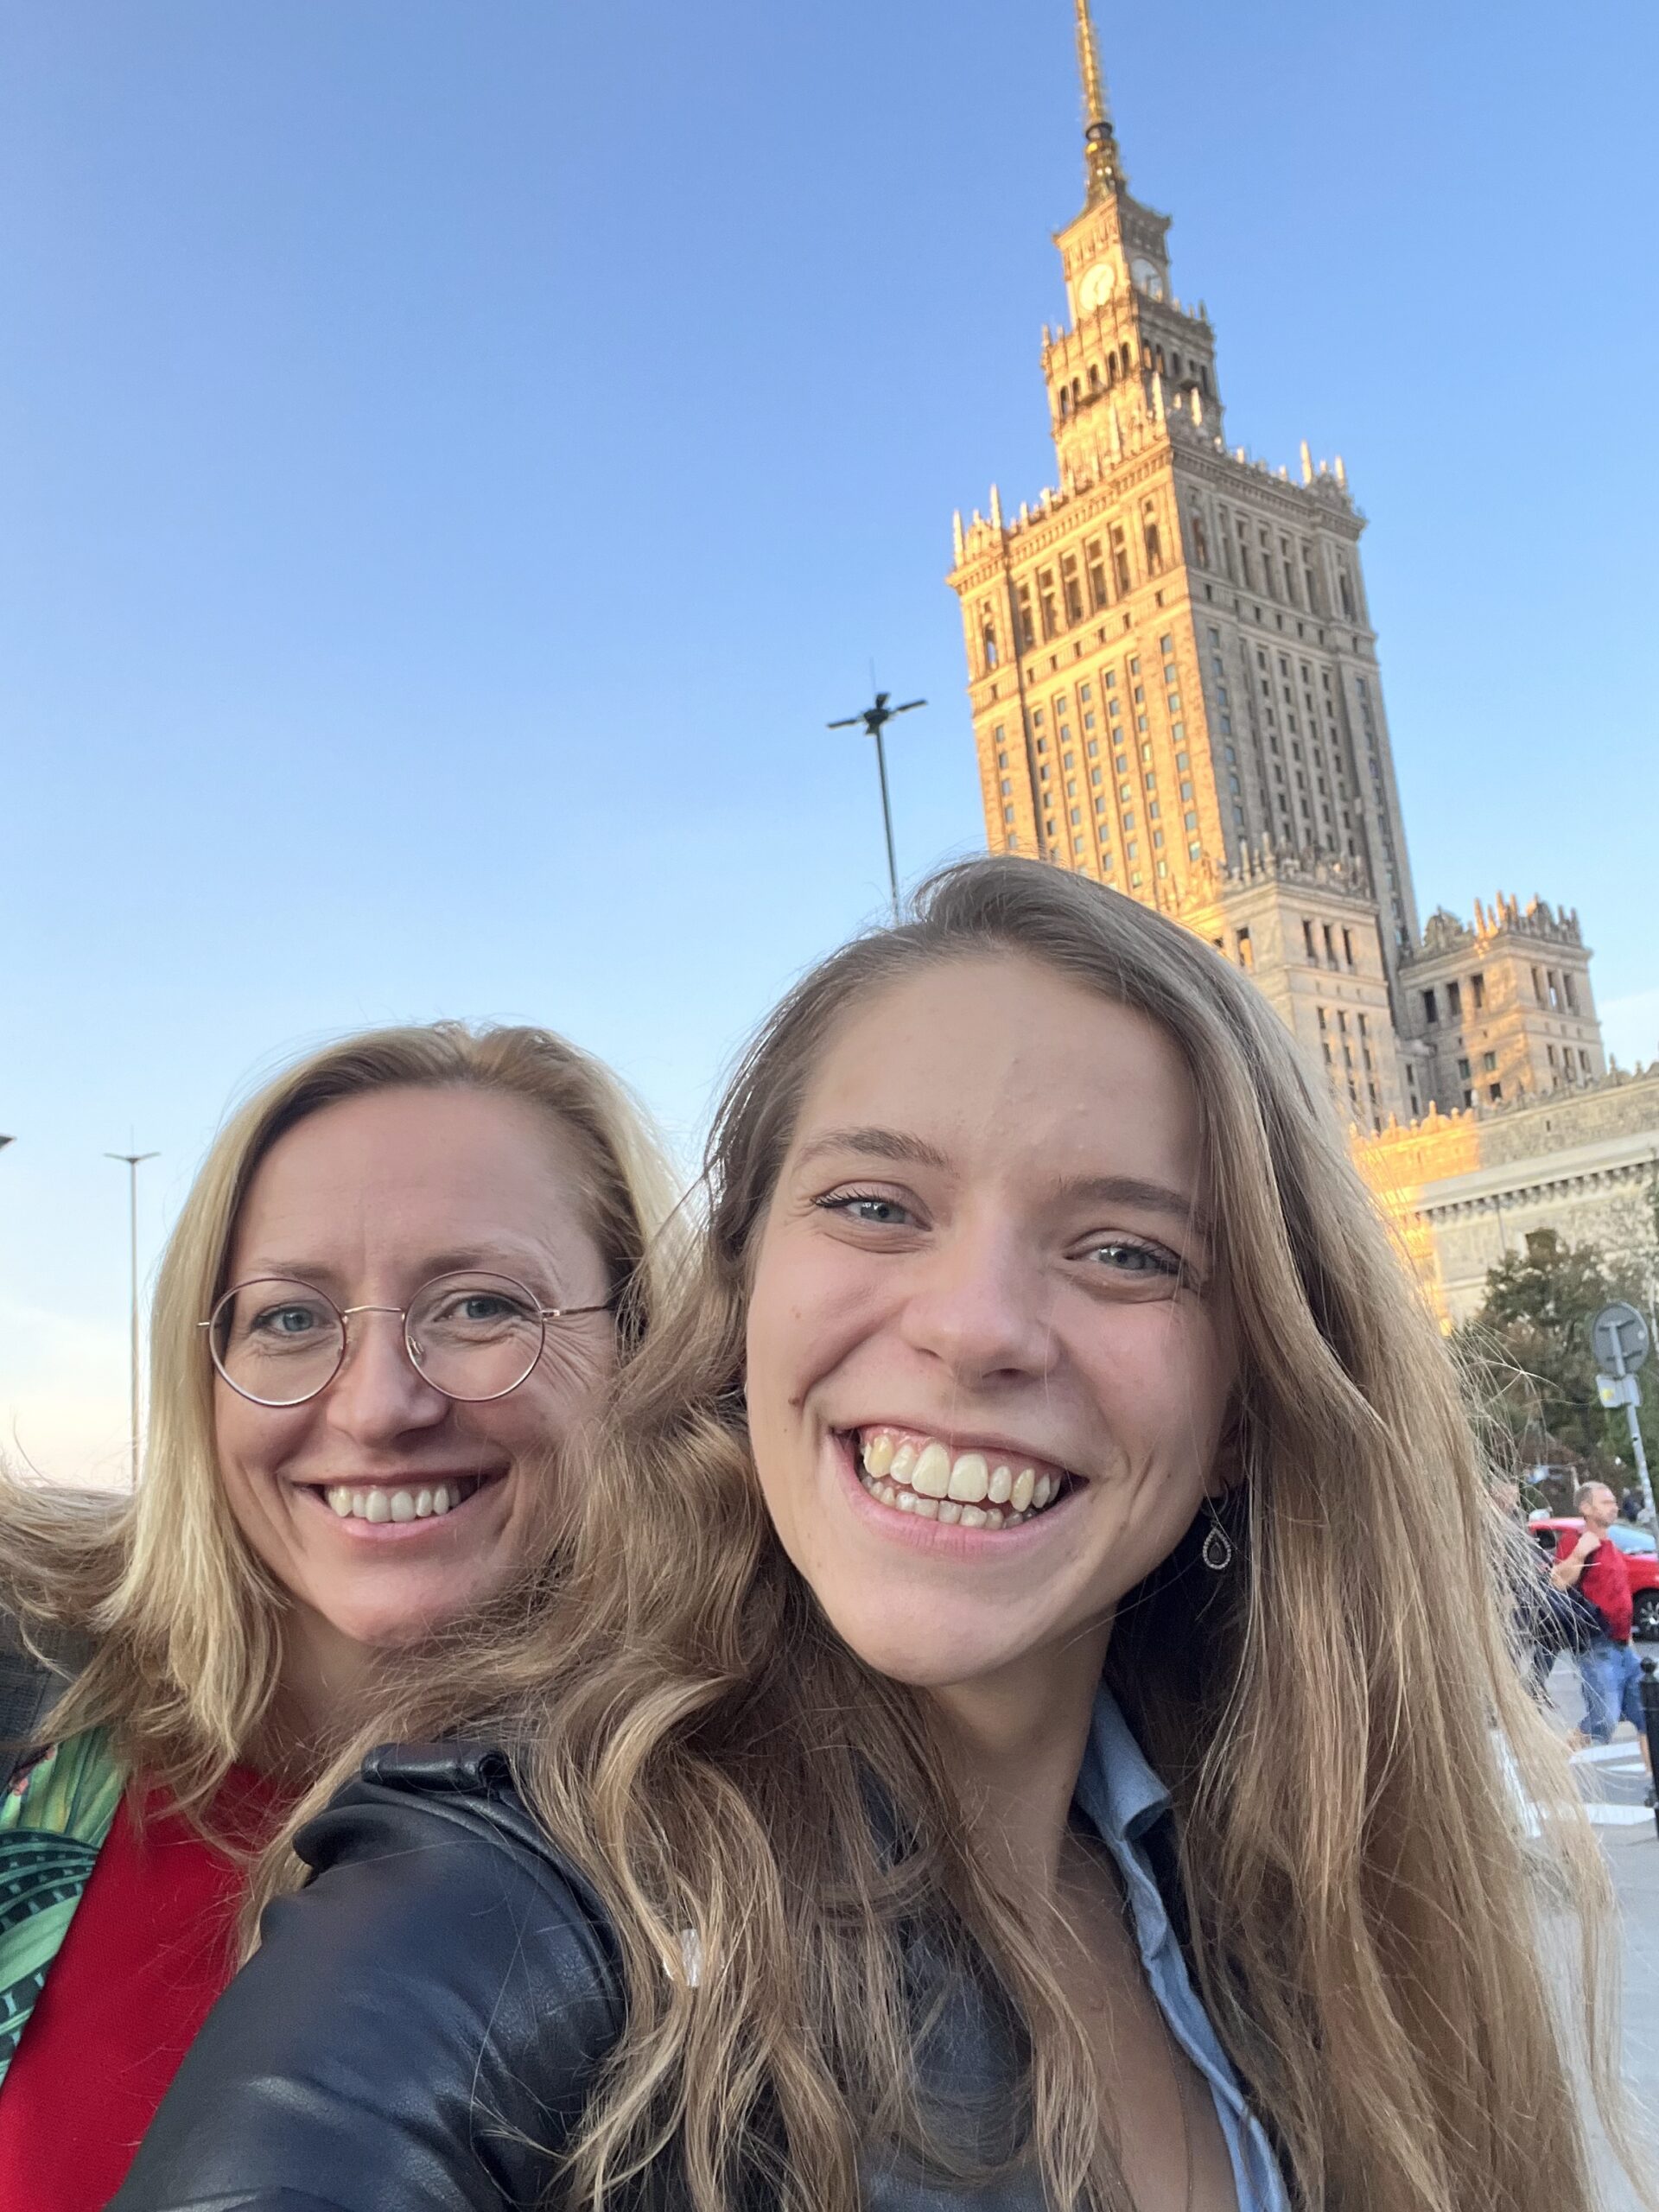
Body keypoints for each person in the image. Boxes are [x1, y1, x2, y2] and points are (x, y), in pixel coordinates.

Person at [117, 861, 1624, 2212]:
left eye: (1127, 1251)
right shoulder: (525, 1906)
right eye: (878, 1207)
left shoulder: (1297, 1905)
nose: (974, 1328)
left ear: (1244, 1400)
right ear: (737, 1300)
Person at [0, 1020, 678, 2212]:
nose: (375, 1408)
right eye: (291, 1318)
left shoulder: (744, 1855)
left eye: (480, 1306)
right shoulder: (39, 1712)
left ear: (645, 1349)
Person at [1552, 1479, 1654, 1794]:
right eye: (1606, 1502)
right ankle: (1552, 1761)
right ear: (1586, 1508)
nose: (1614, 1507)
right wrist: (1580, 1553)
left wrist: (1631, 1646)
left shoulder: (1611, 1547)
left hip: (1624, 1649)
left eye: (1614, 1501)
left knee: (1649, 1717)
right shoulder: (1576, 1541)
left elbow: (1620, 1599)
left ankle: (1655, 1784)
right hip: (1597, 1648)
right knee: (1603, 1721)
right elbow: (1558, 1582)